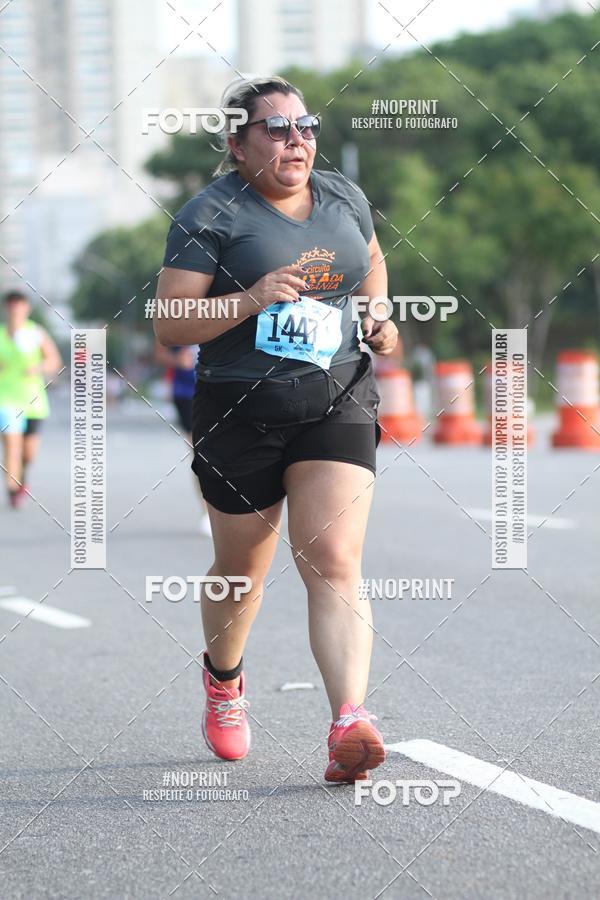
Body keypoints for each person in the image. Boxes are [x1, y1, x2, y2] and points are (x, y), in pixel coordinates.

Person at [154, 76, 399, 784]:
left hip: (336, 396)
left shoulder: (343, 196)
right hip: (240, 411)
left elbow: (371, 261)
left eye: (308, 127)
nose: (299, 141)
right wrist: (252, 297)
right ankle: (224, 682)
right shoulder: (209, 215)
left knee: (334, 559)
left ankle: (349, 717)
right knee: (241, 573)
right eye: (278, 129)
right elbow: (171, 327)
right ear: (237, 144)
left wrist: (375, 316)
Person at [0, 290, 62, 508]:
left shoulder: (36, 333)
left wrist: (38, 366)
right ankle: (11, 489)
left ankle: (22, 478)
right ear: (6, 309)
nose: (15, 309)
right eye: (11, 305)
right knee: (11, 444)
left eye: (20, 305)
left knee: (28, 453)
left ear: (27, 309)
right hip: (5, 399)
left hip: (33, 401)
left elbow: (54, 361)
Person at [153, 339, 212, 535]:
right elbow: (160, 352)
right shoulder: (180, 309)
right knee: (200, 452)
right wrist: (176, 359)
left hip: (219, 387)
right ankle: (207, 512)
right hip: (187, 392)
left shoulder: (231, 308)